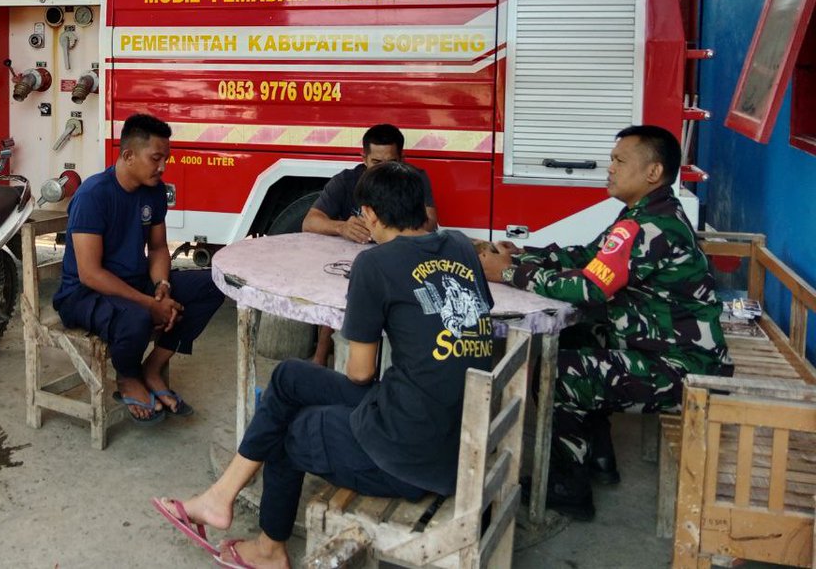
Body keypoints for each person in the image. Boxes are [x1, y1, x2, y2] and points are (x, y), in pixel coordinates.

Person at [154, 161, 493, 568]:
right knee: (289, 377)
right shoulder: (459, 247)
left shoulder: (376, 264)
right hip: (452, 433)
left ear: (368, 214)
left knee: (290, 429)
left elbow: (360, 372)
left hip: (410, 457)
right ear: (422, 207)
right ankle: (219, 497)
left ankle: (269, 550)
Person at [480, 124, 730, 521]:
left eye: (619, 161)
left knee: (556, 371)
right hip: (658, 345)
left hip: (680, 368)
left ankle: (567, 486)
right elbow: (589, 256)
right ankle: (597, 457)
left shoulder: (650, 226)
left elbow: (591, 288)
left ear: (652, 172)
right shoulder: (647, 213)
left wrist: (507, 275)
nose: (609, 168)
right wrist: (523, 256)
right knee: (572, 334)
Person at [53, 113, 224, 423]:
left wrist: (162, 287)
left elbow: (158, 247)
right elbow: (89, 273)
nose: (162, 167)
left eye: (166, 159)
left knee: (214, 283)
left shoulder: (154, 191)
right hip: (83, 294)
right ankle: (128, 376)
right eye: (156, 158)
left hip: (134, 283)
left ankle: (153, 366)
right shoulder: (93, 195)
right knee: (137, 317)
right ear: (128, 155)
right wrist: (150, 304)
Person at [301, 123, 438, 365]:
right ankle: (322, 354)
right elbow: (310, 221)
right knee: (336, 288)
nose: (384, 171)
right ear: (363, 158)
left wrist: (396, 230)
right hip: (356, 259)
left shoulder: (413, 180)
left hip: (400, 260)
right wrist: (341, 227)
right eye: (376, 163)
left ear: (402, 159)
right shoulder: (346, 181)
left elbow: (430, 225)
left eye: (391, 163)